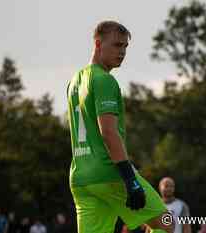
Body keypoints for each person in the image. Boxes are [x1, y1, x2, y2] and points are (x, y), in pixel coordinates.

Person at [66, 20, 174, 233]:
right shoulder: (104, 80)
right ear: (98, 44)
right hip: (109, 173)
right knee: (167, 223)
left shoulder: (74, 82)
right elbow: (108, 132)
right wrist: (130, 179)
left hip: (81, 178)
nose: (122, 51)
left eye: (125, 46)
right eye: (116, 45)